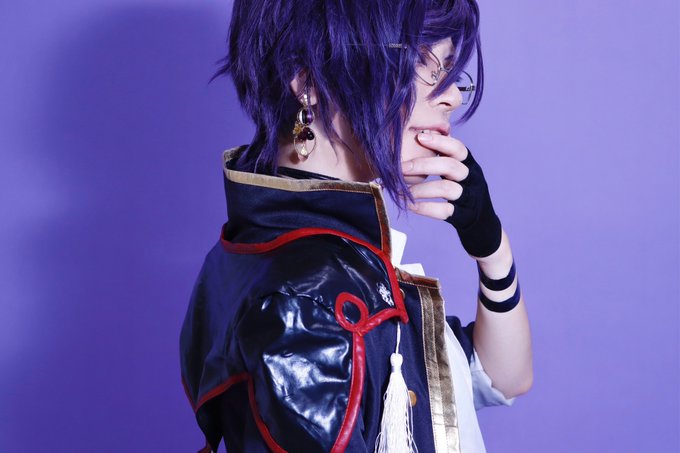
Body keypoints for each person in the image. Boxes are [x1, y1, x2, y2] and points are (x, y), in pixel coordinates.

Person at [179, 0, 533, 452]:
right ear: (308, 81)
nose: (453, 96)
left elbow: (504, 378)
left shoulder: (312, 256)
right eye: (423, 63)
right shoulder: (309, 301)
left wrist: (491, 248)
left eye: (448, 69)